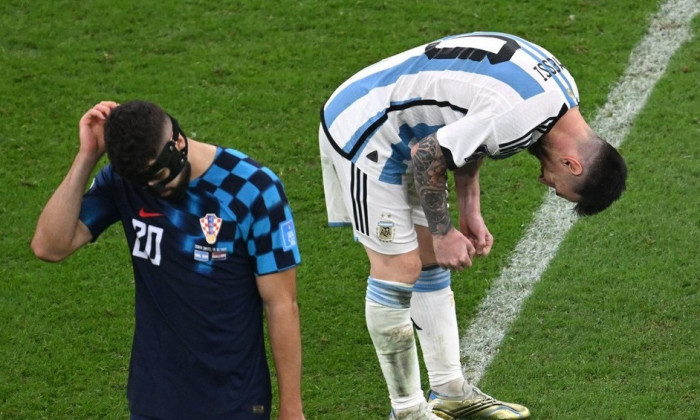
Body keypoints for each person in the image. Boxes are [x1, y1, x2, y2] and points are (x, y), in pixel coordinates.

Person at [319, 31, 626, 420]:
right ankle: (408, 412)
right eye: (560, 189)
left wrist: (469, 206)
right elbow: (429, 155)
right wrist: (445, 232)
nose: (545, 184)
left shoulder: (560, 99)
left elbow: (467, 128)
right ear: (573, 165)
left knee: (427, 257)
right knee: (398, 268)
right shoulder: (516, 120)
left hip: (401, 124)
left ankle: (449, 392)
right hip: (366, 130)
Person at [31, 100, 306, 420]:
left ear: (177, 142)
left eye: (159, 175)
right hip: (154, 398)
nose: (154, 188)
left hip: (234, 401)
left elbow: (282, 304)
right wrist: (87, 156)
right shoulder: (126, 181)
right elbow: (50, 246)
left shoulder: (252, 190)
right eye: (142, 181)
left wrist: (292, 407)